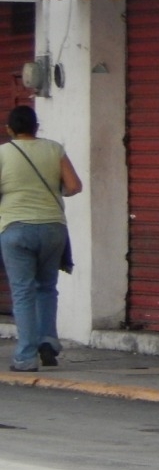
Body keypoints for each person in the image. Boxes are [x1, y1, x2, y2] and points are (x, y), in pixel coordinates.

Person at [1, 105, 81, 372]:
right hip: (53, 228)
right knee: (47, 287)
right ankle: (48, 343)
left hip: (15, 228)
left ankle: (25, 356)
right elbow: (73, 186)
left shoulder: (3, 153)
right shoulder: (54, 149)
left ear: (9, 129)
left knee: (23, 292)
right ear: (37, 127)